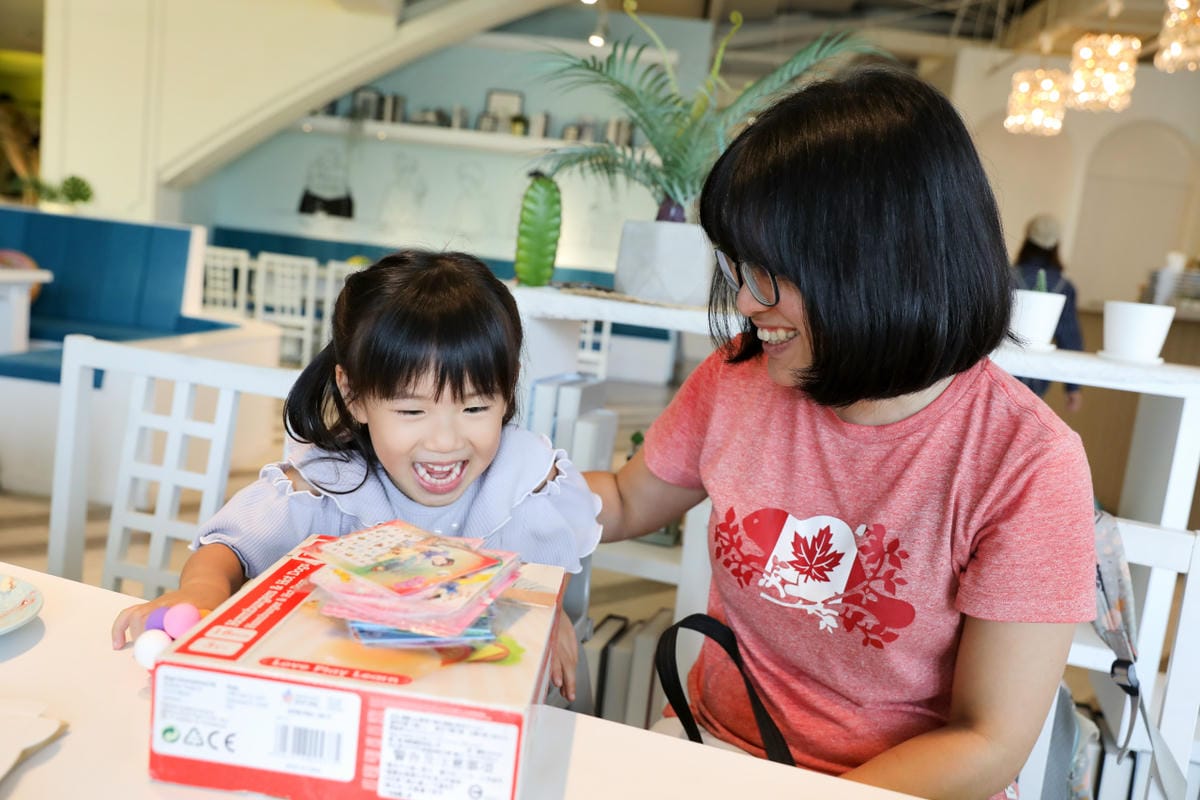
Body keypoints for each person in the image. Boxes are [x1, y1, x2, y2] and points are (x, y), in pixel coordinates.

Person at [585, 66, 1096, 800]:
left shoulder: (1026, 462)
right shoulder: (739, 378)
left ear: (882, 265)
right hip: (714, 751)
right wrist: (481, 477)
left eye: (774, 270)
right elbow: (627, 503)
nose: (748, 302)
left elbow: (988, 739)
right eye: (740, 266)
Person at [111, 250, 601, 701]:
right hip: (337, 698)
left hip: (468, 708)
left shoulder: (524, 482)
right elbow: (228, 549)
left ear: (508, 388)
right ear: (355, 394)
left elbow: (539, 585)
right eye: (412, 412)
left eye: (476, 406)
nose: (446, 441)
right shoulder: (330, 483)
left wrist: (544, 612)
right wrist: (201, 593)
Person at [1013, 213, 1085, 412]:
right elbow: (1070, 337)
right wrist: (1073, 388)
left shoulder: (1005, 276)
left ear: (1027, 238)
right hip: (1038, 373)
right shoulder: (1065, 286)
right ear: (1057, 244)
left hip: (1002, 366)